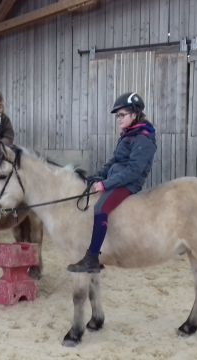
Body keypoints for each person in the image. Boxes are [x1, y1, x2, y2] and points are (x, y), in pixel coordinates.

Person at [67, 92, 157, 273]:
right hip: (117, 179)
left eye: (122, 115)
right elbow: (114, 161)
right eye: (118, 116)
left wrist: (105, 185)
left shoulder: (143, 137)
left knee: (101, 209)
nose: (118, 119)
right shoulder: (129, 134)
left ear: (134, 114)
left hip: (128, 184)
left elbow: (133, 171)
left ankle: (92, 258)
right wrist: (98, 176)